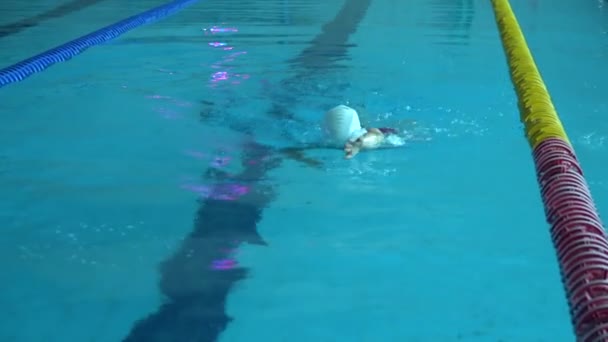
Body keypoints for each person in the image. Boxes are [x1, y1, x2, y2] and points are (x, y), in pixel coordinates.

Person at [323, 104, 405, 159]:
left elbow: (377, 135)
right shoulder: (369, 133)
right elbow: (376, 135)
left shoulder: (328, 142)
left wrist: (361, 143)